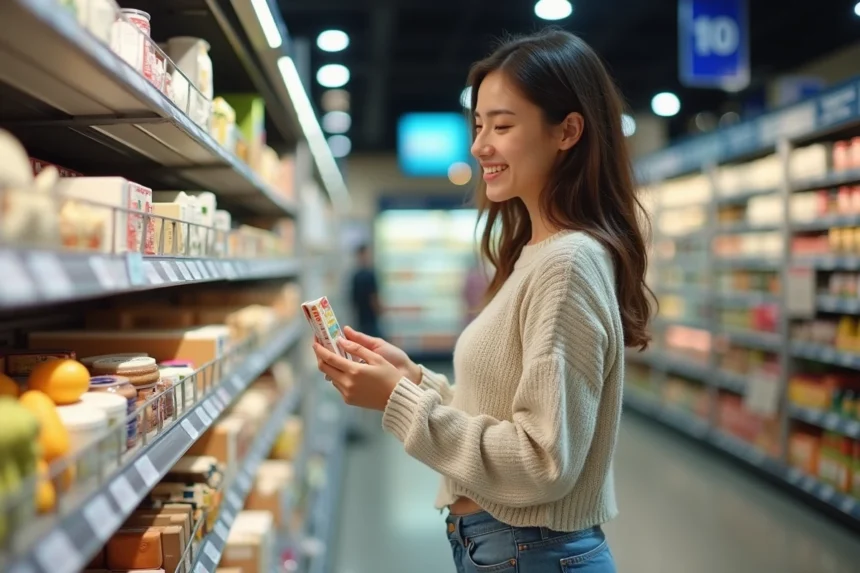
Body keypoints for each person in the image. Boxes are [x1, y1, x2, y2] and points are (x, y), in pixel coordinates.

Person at [313, 29, 652, 573]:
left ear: (567, 131)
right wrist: (412, 381)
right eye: (478, 126)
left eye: (502, 125)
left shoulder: (567, 264)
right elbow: (499, 408)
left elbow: (544, 461)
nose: (478, 146)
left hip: (532, 553)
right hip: (510, 549)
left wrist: (398, 403)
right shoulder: (534, 254)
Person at [349, 243, 383, 339]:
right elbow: (373, 297)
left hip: (360, 318)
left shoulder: (355, 275)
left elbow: (352, 299)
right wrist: (379, 310)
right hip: (370, 318)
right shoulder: (370, 274)